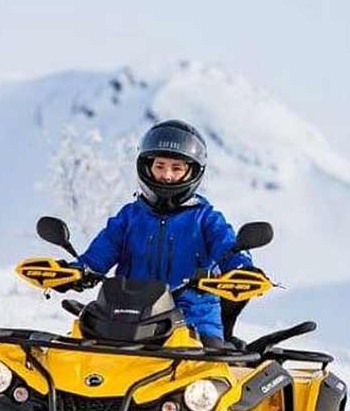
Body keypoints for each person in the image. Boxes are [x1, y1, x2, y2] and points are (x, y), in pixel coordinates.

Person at [77, 119, 256, 347]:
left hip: (193, 321)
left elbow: (227, 246)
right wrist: (76, 270)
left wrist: (242, 269)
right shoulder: (129, 217)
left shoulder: (206, 218)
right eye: (160, 166)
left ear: (192, 171)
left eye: (176, 168)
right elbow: (98, 255)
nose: (167, 176)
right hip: (126, 319)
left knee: (211, 373)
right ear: (147, 166)